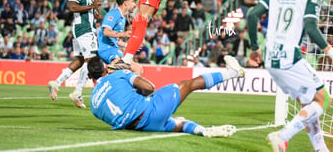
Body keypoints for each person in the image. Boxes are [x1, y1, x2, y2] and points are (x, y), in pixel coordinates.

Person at [247, 0, 333, 152]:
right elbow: (310, 26)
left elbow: (252, 15)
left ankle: (321, 149)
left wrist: (255, 49)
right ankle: (282, 136)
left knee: (309, 104)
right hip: (289, 57)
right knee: (323, 99)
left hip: (270, 57)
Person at [87, 55, 244, 136]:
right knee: (188, 85)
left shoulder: (93, 104)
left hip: (138, 127)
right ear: (106, 69)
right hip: (150, 110)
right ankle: (234, 72)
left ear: (90, 76)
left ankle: (204, 131)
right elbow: (149, 87)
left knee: (180, 123)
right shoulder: (117, 74)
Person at [48, 0, 102, 108]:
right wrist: (91, 7)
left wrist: (95, 12)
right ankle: (77, 92)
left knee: (80, 61)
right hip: (83, 28)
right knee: (90, 59)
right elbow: (72, 6)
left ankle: (56, 83)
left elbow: (87, 10)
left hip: (85, 27)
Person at [97, 0, 143, 74]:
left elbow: (116, 40)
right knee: (121, 66)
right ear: (125, 3)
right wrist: (123, 34)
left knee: (138, 69)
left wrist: (129, 45)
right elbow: (106, 32)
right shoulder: (114, 14)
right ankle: (100, 79)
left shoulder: (122, 18)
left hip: (114, 48)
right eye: (133, 2)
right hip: (107, 49)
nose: (135, 5)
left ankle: (100, 78)